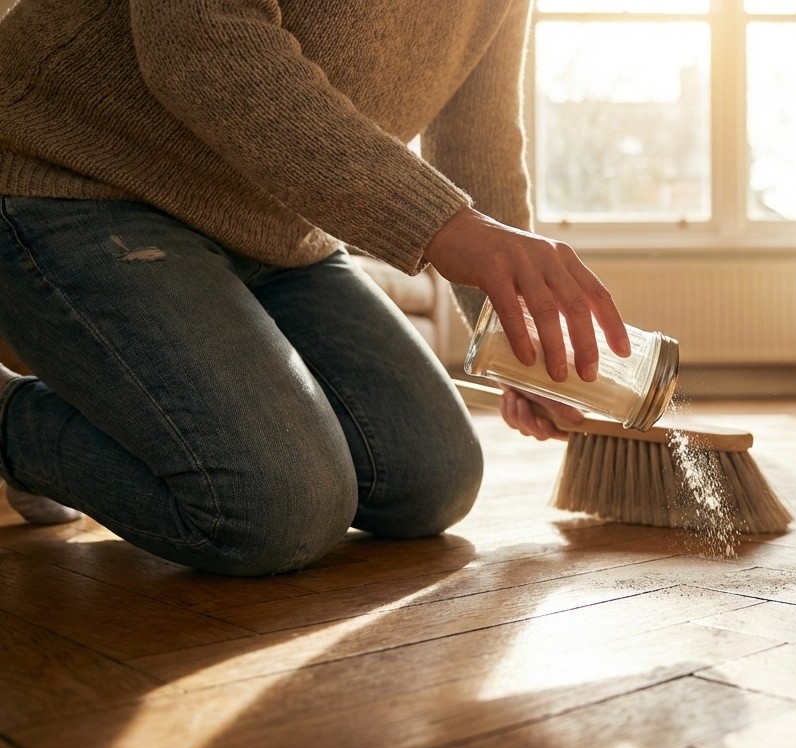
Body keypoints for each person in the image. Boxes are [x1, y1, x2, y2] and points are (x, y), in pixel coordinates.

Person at [0, 0, 628, 575]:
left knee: (432, 479)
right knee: (267, 508)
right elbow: (205, 49)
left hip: (276, 228)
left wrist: (518, 344)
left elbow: (477, 142)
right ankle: (11, 422)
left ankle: (109, 398)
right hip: (75, 178)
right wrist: (441, 224)